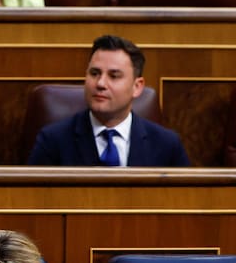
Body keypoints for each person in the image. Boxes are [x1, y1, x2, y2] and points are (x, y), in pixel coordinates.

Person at [27, 35, 190, 167]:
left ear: (137, 87)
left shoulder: (167, 145)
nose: (100, 84)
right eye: (94, 73)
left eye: (114, 76)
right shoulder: (53, 141)